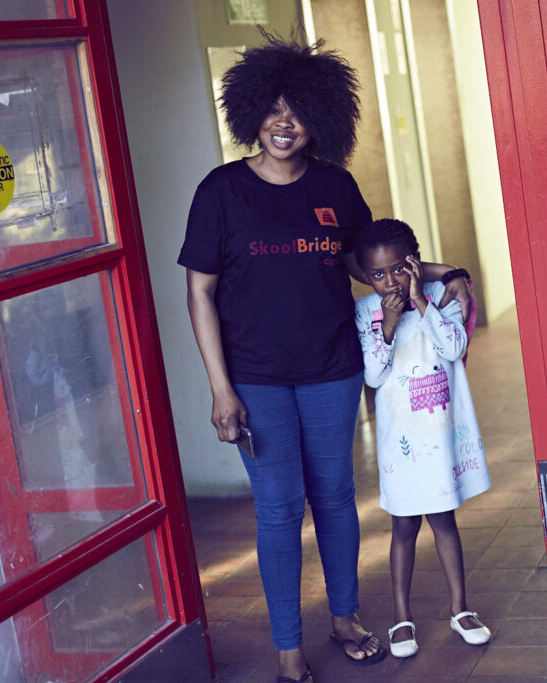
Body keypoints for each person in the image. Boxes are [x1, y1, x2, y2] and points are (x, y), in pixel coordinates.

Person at [178, 34, 473, 683]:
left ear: (322, 118)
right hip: (255, 376)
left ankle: (345, 618)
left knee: (336, 494)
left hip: (333, 366)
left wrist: (442, 272)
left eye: (300, 109)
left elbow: (365, 262)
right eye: (274, 108)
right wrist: (220, 390)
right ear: (252, 112)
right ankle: (289, 646)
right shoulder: (221, 192)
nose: (286, 123)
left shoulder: (335, 186)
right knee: (280, 507)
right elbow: (199, 291)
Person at [353, 218, 492, 659]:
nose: (389, 280)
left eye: (399, 269)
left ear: (416, 263)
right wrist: (389, 322)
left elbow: (453, 347)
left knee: (445, 521)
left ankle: (460, 609)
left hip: (440, 436)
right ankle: (401, 617)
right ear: (365, 275)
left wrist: (419, 301)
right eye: (377, 274)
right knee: (404, 527)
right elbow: (373, 375)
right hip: (401, 443)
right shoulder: (364, 312)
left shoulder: (443, 295)